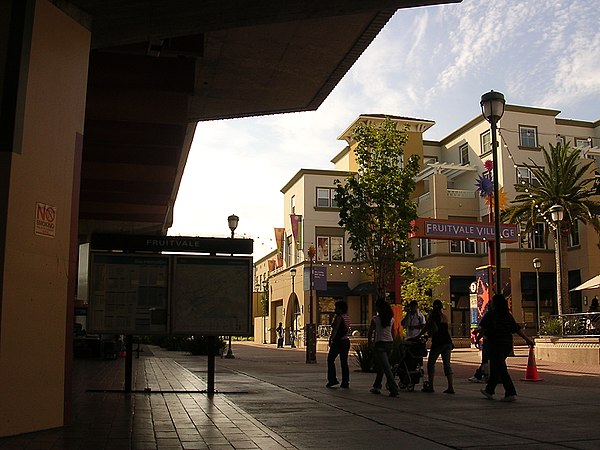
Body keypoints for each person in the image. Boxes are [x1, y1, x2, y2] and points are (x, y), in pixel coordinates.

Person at [477, 294, 535, 402]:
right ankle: (489, 390)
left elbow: (483, 329)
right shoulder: (508, 315)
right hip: (507, 344)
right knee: (496, 367)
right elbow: (517, 329)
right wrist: (527, 339)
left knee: (501, 368)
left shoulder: (490, 315)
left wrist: (477, 338)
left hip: (495, 344)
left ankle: (510, 392)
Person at [420, 300, 454, 394]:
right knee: (447, 364)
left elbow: (430, 328)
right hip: (447, 342)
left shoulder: (433, 317)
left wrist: (422, 335)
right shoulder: (444, 317)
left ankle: (431, 386)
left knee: (431, 363)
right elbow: (445, 329)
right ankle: (450, 386)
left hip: (438, 342)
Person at [368, 298, 400, 397]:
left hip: (380, 344)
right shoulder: (391, 319)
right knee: (382, 366)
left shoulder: (375, 319)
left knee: (386, 368)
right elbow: (393, 333)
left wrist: (370, 343)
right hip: (389, 343)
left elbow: (370, 333)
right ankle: (377, 386)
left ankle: (394, 389)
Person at [326, 301, 351, 388]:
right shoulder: (346, 317)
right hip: (346, 341)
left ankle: (332, 379)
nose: (335, 310)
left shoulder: (339, 317)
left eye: (337, 308)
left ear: (341, 309)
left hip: (338, 342)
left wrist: (331, 339)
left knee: (330, 359)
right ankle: (345, 381)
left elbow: (335, 329)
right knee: (344, 362)